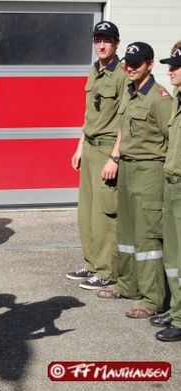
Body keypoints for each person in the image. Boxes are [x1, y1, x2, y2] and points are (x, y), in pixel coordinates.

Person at [96, 42, 171, 319]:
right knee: (126, 234)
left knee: (148, 238)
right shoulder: (131, 92)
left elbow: (171, 138)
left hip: (150, 172)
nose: (129, 67)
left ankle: (153, 299)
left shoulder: (160, 99)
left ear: (150, 65)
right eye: (128, 62)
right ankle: (128, 286)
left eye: (136, 63)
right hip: (127, 169)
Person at [66, 21, 127, 289]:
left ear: (116, 43)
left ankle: (106, 271)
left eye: (107, 40)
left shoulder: (123, 74)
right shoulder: (94, 70)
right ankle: (91, 264)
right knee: (87, 212)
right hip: (90, 146)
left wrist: (115, 156)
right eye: (98, 40)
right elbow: (89, 113)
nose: (101, 45)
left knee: (104, 214)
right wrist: (80, 145)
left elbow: (126, 119)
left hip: (107, 148)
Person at [154, 42, 181, 342]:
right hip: (171, 182)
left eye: (176, 65)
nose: (170, 70)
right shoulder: (176, 99)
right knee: (172, 256)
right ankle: (176, 309)